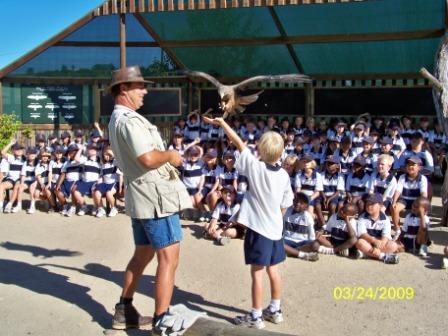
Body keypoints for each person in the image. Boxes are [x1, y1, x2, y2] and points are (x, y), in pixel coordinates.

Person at [107, 66, 191, 333]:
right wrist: (171, 156)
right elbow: (147, 158)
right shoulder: (129, 120)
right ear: (123, 89)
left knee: (142, 255)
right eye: (139, 86)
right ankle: (162, 320)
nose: (145, 91)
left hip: (141, 196)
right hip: (155, 197)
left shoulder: (118, 119)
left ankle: (125, 309)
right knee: (169, 258)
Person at [202, 115, 294, 330]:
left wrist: (223, 123)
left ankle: (255, 315)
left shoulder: (255, 167)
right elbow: (286, 203)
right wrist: (277, 218)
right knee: (274, 270)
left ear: (260, 151)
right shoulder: (283, 176)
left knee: (257, 274)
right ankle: (275, 309)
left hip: (259, 230)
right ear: (281, 153)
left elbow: (239, 142)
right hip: (275, 230)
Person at [355, 193, 400, 264]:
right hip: (368, 242)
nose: (369, 206)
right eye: (367, 204)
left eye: (372, 204)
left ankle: (367, 253)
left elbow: (385, 237)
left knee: (393, 246)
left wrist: (377, 247)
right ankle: (383, 256)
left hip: (380, 243)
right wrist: (374, 241)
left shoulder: (385, 219)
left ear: (380, 206)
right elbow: (362, 234)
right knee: (360, 242)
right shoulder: (362, 217)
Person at [283, 192, 319, 261]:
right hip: (287, 240)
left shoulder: (308, 217)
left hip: (302, 243)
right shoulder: (286, 212)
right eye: (296, 201)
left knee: (315, 245)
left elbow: (311, 236)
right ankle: (302, 254)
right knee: (276, 243)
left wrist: (311, 244)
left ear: (306, 206)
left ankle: (291, 252)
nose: (298, 204)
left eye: (301, 203)